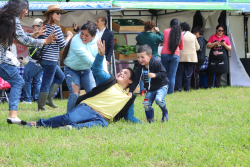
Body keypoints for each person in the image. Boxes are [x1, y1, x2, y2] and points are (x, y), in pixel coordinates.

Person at [25, 40, 141, 129]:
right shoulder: (109, 80)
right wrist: (100, 55)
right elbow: (96, 69)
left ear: (130, 81)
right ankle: (38, 123)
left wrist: (144, 123)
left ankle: (71, 128)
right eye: (121, 71)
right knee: (68, 118)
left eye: (125, 73)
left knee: (103, 124)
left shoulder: (128, 98)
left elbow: (130, 117)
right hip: (88, 109)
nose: (121, 73)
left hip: (101, 118)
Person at [0, 0, 56, 125]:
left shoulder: (5, 17)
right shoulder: (13, 19)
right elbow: (23, 40)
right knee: (18, 82)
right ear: (19, 8)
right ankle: (12, 116)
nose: (26, 11)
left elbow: (17, 36)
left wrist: (33, 35)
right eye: (25, 8)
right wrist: (44, 41)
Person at [38, 5, 73, 111]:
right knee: (46, 81)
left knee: (60, 76)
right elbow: (63, 45)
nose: (59, 15)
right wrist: (69, 37)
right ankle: (41, 107)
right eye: (57, 13)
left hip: (43, 58)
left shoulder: (44, 26)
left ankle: (48, 99)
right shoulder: (56, 27)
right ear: (51, 14)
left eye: (60, 13)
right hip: (50, 59)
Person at [62, 22, 98, 112]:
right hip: (71, 70)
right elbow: (89, 59)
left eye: (87, 35)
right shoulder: (75, 40)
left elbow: (99, 57)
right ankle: (69, 116)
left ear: (93, 37)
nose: (83, 36)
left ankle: (92, 115)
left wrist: (105, 70)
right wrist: (101, 69)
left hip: (86, 70)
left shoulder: (97, 41)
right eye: (82, 33)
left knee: (93, 93)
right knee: (75, 94)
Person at [128, 45, 169, 123]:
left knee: (158, 100)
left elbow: (164, 73)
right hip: (150, 89)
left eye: (142, 57)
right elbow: (136, 79)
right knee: (146, 104)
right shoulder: (140, 66)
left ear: (149, 56)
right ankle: (150, 120)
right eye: (138, 57)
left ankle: (165, 112)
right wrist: (131, 91)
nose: (140, 60)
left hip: (161, 86)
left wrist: (155, 75)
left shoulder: (156, 63)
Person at [135, 21, 163, 95]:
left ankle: (142, 90)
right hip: (153, 57)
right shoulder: (155, 37)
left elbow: (137, 38)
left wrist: (143, 32)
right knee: (153, 74)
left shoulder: (140, 36)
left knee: (143, 73)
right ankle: (153, 89)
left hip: (143, 57)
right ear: (153, 28)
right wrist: (158, 31)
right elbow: (163, 39)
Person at [22, 18, 44, 104]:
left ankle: (27, 99)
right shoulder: (44, 35)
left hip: (33, 62)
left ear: (35, 26)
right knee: (37, 81)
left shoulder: (35, 35)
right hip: (41, 62)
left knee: (26, 79)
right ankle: (37, 99)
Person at [161, 19, 184, 94]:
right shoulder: (180, 33)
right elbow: (181, 46)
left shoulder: (166, 31)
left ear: (170, 24)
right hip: (175, 54)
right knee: (172, 75)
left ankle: (164, 91)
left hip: (164, 54)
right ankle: (170, 92)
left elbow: (164, 40)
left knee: (165, 74)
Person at [175, 22, 200, 92]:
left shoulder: (180, 35)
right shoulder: (193, 36)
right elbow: (198, 48)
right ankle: (187, 89)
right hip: (191, 58)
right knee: (188, 74)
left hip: (181, 57)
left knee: (179, 74)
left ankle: (178, 89)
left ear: (182, 28)